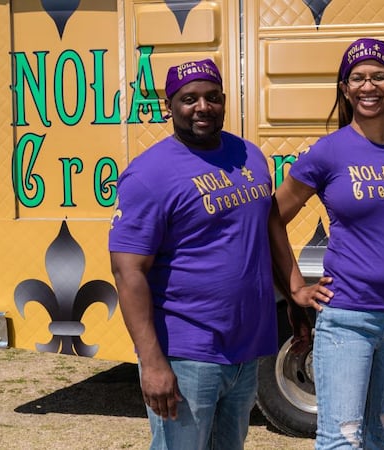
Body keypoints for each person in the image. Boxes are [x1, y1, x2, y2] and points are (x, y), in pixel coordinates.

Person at [108, 58, 303, 450]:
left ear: (224, 101)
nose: (202, 107)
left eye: (212, 97)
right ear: (169, 105)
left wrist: (294, 299)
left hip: (248, 350)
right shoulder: (150, 175)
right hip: (187, 353)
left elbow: (266, 233)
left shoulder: (249, 157)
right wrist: (152, 363)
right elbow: (128, 271)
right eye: (189, 99)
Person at [272, 38, 384, 449]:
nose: (369, 86)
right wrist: (295, 285)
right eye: (358, 78)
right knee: (341, 441)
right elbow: (271, 217)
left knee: (383, 437)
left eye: (380, 76)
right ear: (345, 89)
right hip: (347, 318)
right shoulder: (328, 153)